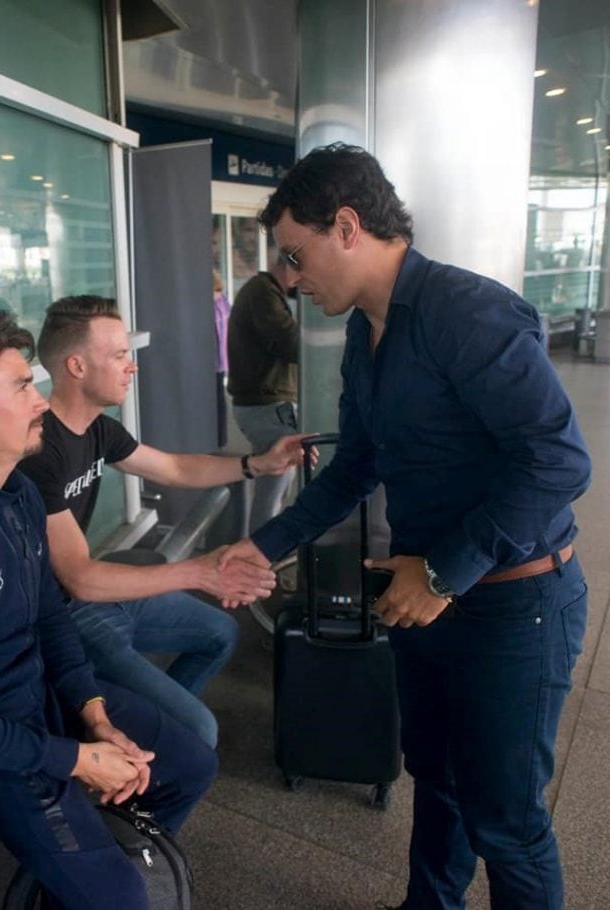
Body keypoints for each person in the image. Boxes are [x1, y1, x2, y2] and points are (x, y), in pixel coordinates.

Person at [220, 143, 591, 910]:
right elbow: (356, 467)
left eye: (296, 253)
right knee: (438, 779)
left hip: (512, 605)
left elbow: (559, 460)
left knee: (508, 821)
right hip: (426, 600)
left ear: (347, 226)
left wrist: (447, 570)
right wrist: (261, 546)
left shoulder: (467, 312)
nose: (290, 276)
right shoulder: (366, 333)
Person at [0, 305, 217, 910]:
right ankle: (93, 879)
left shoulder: (21, 494)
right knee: (124, 899)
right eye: (24, 384)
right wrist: (80, 759)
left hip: (40, 703)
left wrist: (96, 715)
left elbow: (50, 620)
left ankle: (77, 875)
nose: (39, 400)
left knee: (190, 763)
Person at [18, 295, 308, 749]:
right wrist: (201, 572)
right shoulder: (39, 452)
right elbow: (80, 579)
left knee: (219, 632)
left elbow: (175, 469)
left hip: (92, 595)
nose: (131, 366)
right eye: (118, 356)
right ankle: (141, 750)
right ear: (76, 366)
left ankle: (146, 738)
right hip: (58, 614)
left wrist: (259, 464)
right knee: (200, 731)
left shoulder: (98, 429)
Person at [227, 257, 299, 533]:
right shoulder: (262, 292)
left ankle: (260, 562)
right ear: (289, 267)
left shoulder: (262, 291)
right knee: (272, 496)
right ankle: (260, 565)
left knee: (274, 494)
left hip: (263, 405)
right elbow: (291, 344)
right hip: (267, 407)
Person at [213, 268, 230, 447]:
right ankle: (220, 441)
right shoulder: (224, 303)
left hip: (215, 362)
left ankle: (218, 441)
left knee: (216, 403)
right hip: (221, 361)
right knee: (219, 404)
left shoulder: (217, 304)